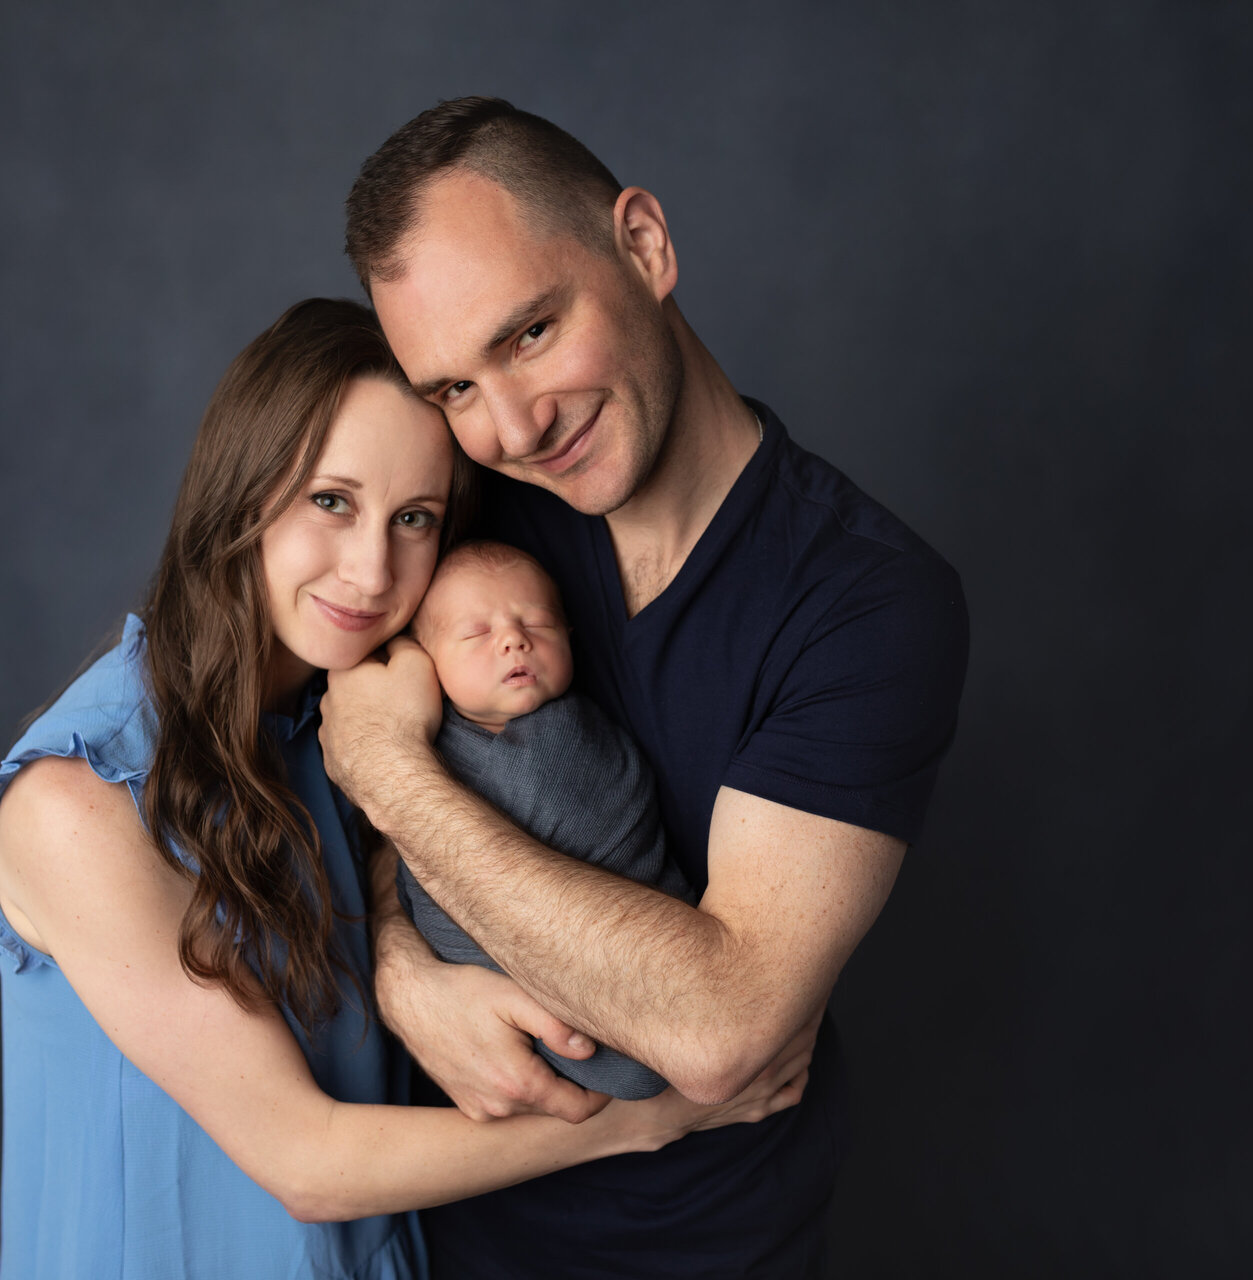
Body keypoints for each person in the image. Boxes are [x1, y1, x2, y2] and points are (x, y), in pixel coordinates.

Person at [0, 298, 798, 1279]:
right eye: (331, 500)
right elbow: (304, 1160)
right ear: (242, 492)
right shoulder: (78, 802)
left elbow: (406, 879)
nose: (371, 567)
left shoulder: (354, 724)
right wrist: (650, 1118)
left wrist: (410, 964)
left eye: (413, 519)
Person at [322, 99, 971, 1277]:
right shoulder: (472, 519)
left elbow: (718, 1028)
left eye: (527, 332)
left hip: (700, 1250)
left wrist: (392, 779)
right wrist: (400, 966)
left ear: (645, 246)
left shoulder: (865, 603)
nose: (513, 426)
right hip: (421, 1239)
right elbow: (298, 744)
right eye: (453, 388)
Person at [396, 540, 695, 1100]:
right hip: (494, 976)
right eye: (476, 633)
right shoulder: (429, 736)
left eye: (538, 622)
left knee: (641, 1066)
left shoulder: (570, 737)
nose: (515, 639)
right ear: (422, 658)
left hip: (618, 956)